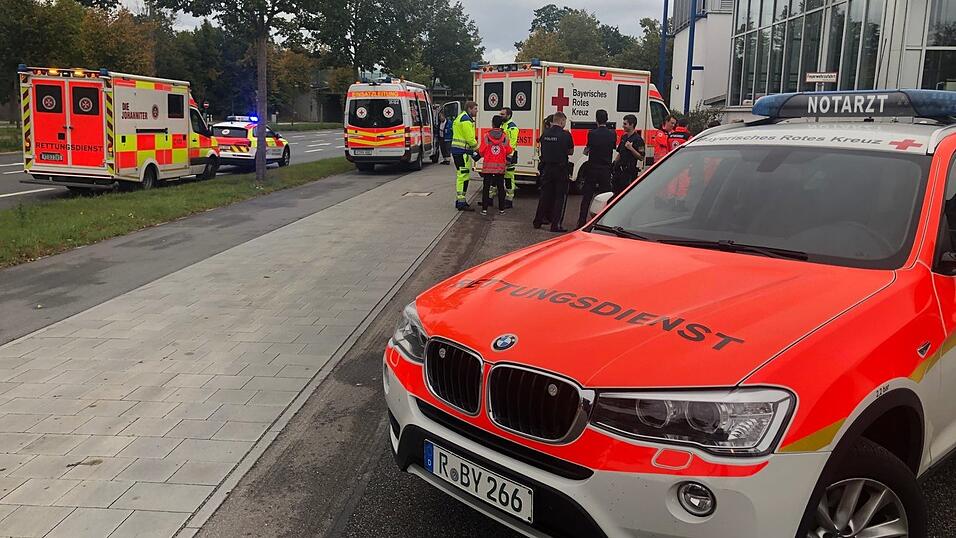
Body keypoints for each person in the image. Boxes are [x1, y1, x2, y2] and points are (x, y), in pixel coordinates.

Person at [533, 112, 574, 232]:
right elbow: (570, 151)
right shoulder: (566, 135)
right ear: (561, 121)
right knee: (559, 197)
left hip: (547, 168)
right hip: (560, 169)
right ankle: (555, 225)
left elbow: (542, 147)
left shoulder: (545, 133)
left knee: (544, 195)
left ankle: (537, 221)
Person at [577, 109, 615, 228]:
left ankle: (581, 222)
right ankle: (604, 222)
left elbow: (587, 150)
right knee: (606, 197)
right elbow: (612, 148)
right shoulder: (612, 134)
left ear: (596, 120)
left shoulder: (591, 133)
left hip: (592, 168)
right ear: (607, 119)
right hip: (605, 169)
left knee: (587, 197)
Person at [477, 115, 513, 215]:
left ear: (492, 124)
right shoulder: (505, 136)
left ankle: (484, 210)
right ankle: (501, 209)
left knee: (486, 188)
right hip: (500, 167)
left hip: (488, 167)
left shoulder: (487, 136)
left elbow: (481, 150)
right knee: (501, 188)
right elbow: (509, 150)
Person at [451, 101, 479, 211]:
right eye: (475, 109)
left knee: (463, 175)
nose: (477, 111)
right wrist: (479, 150)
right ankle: (461, 202)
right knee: (463, 176)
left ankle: (460, 200)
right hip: (462, 152)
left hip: (459, 152)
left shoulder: (460, 117)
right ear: (469, 108)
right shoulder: (466, 120)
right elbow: (470, 139)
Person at [611, 114, 645, 195]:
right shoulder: (624, 137)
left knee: (625, 194)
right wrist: (614, 163)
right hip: (619, 172)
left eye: (625, 124)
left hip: (629, 173)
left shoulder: (638, 139)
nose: (623, 126)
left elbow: (641, 157)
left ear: (632, 124)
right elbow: (620, 152)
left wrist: (631, 148)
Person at [500, 108, 519, 209]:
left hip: (509, 156)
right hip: (502, 155)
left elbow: (512, 143)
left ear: (509, 115)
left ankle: (509, 200)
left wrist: (509, 157)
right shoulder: (503, 125)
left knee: (509, 178)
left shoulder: (512, 127)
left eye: (503, 114)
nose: (501, 116)